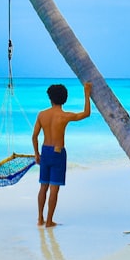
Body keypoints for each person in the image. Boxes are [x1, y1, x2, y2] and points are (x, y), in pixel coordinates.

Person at [33, 81, 92, 227]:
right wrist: (87, 92)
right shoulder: (64, 116)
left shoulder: (42, 115)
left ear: (50, 98)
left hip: (45, 151)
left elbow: (34, 136)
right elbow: (86, 113)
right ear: (64, 99)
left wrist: (37, 154)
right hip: (58, 153)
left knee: (43, 187)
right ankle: (49, 221)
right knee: (54, 188)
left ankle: (40, 219)